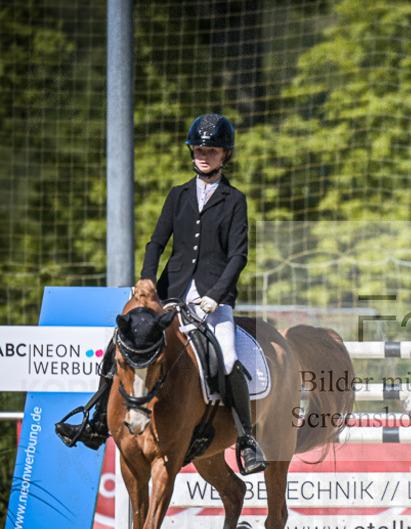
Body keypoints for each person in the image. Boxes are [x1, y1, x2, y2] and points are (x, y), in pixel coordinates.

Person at [55, 113, 266, 475]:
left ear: (225, 154)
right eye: (199, 149)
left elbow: (238, 256)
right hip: (172, 294)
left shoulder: (235, 200)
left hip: (214, 302)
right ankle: (95, 421)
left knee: (228, 358)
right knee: (124, 342)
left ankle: (246, 439)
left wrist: (216, 296)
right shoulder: (178, 195)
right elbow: (156, 242)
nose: (204, 155)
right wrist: (147, 280)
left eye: (212, 150)